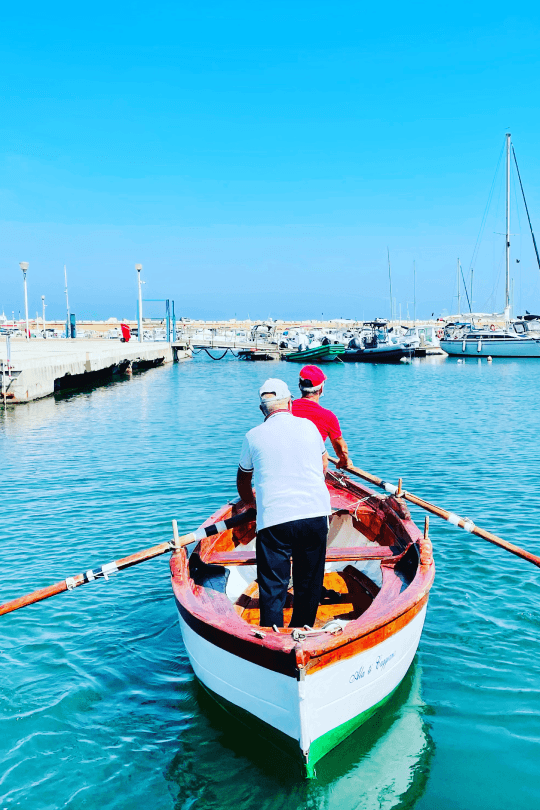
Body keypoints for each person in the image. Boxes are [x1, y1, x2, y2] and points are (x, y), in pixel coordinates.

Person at [236, 379, 330, 628]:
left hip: (274, 521)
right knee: (309, 583)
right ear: (290, 404)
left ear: (262, 410)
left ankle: (272, 636)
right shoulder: (309, 426)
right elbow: (324, 465)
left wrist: (252, 503)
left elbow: (243, 482)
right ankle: (303, 630)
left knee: (273, 587)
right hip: (314, 515)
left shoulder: (252, 436)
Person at [291, 365, 352, 469]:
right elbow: (342, 449)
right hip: (310, 470)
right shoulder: (328, 416)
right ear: (321, 389)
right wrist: (344, 461)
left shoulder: (286, 409)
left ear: (299, 386)